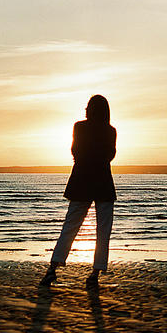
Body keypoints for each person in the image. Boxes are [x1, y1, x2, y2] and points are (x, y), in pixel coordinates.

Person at [41, 95, 116, 288]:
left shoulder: (79, 127)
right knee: (103, 230)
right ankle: (95, 273)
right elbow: (110, 156)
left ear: (89, 110)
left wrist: (84, 162)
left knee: (70, 226)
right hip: (103, 183)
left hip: (82, 181)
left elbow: (75, 150)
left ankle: (52, 269)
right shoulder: (110, 130)